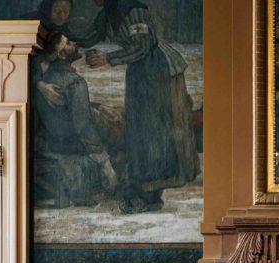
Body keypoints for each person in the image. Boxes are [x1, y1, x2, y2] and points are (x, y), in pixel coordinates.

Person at [79, 0, 200, 213]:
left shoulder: (133, 10)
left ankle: (151, 193)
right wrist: (58, 33)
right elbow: (90, 36)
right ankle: (146, 192)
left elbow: (143, 45)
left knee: (155, 132)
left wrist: (108, 57)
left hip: (158, 70)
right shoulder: (108, 13)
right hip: (139, 72)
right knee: (140, 131)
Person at [32, 32, 117, 207]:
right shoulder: (75, 82)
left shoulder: (45, 80)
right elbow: (83, 126)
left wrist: (98, 107)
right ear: (62, 54)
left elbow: (64, 109)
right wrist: (104, 162)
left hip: (49, 142)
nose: (75, 43)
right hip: (70, 146)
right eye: (69, 43)